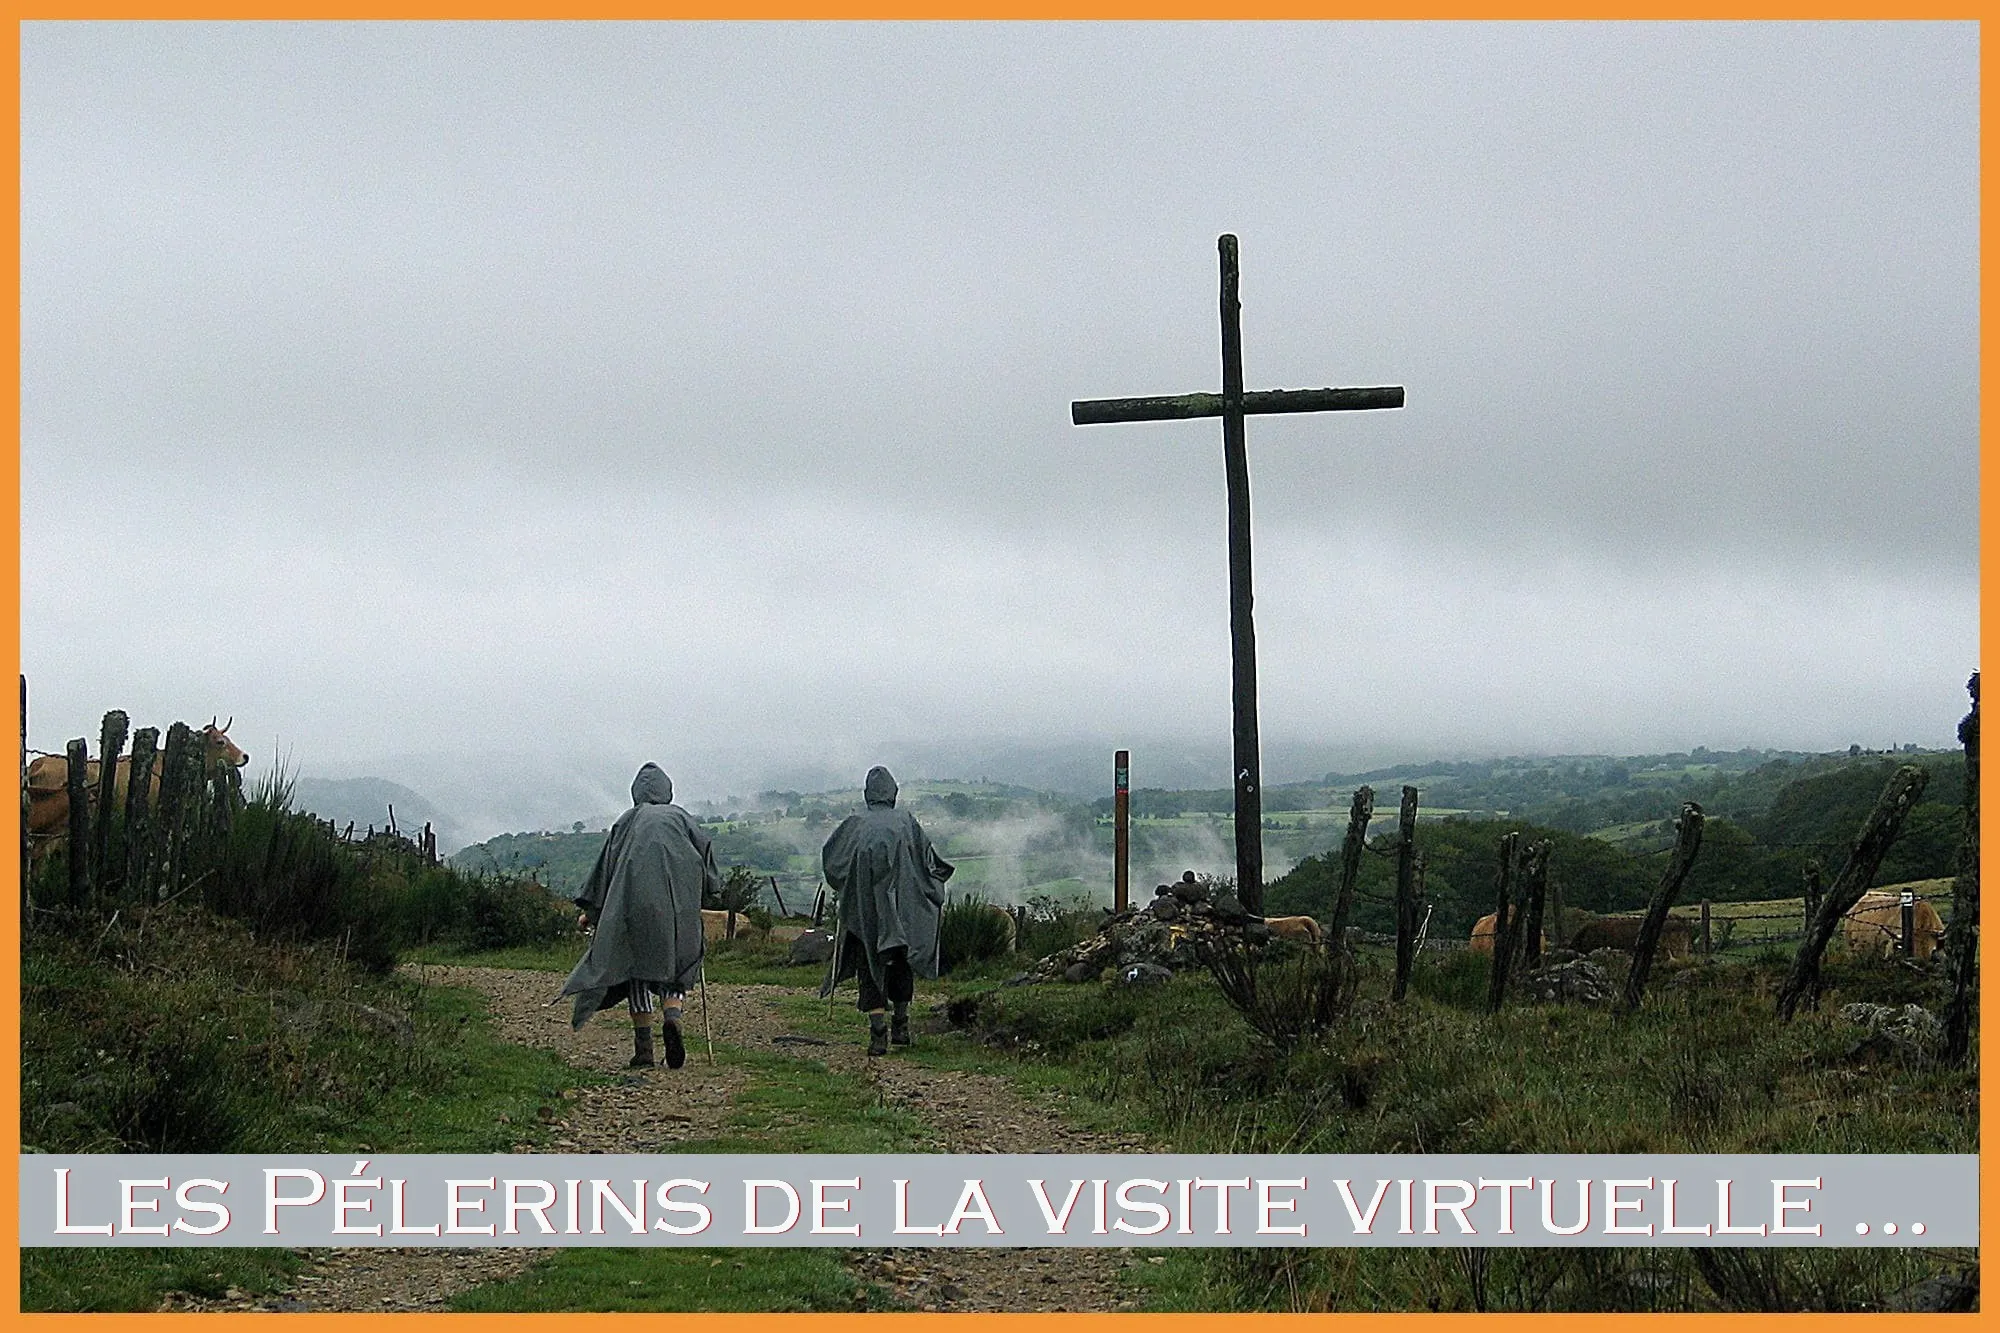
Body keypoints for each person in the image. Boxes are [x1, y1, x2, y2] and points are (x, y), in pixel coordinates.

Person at [558, 763, 718, 1069]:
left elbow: (604, 872)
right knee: (676, 966)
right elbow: (708, 869)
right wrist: (707, 894)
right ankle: (672, 1017)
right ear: (667, 790)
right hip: (679, 912)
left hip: (634, 911)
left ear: (636, 793)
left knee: (636, 972)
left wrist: (591, 913)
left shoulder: (626, 822)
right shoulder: (684, 820)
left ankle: (644, 1048)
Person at [819, 766, 954, 1055]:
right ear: (893, 792)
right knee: (902, 963)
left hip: (863, 911)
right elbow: (929, 862)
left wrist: (848, 885)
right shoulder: (907, 823)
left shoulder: (854, 824)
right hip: (902, 910)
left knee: (869, 965)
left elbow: (832, 863)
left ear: (868, 793)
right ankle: (901, 1024)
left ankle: (878, 1031)